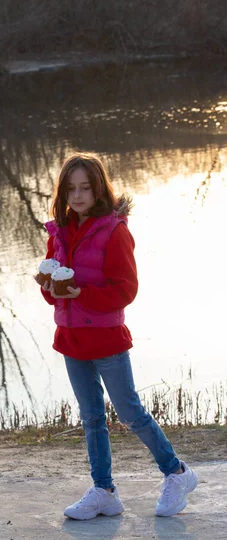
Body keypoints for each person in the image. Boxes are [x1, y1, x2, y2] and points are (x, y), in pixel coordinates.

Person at [35, 152, 197, 520]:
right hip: (72, 338)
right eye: (71, 189)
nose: (77, 196)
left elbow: (126, 290)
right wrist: (49, 288)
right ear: (62, 192)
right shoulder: (58, 230)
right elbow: (53, 288)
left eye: (85, 188)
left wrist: (83, 295)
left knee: (130, 412)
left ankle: (177, 473)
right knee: (91, 417)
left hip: (107, 338)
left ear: (98, 190)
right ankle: (104, 491)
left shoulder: (114, 230)